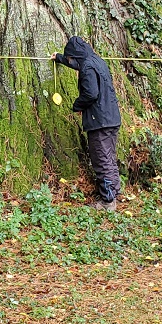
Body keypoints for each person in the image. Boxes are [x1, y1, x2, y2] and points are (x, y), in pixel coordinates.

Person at [54, 36, 122, 211]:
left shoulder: (87, 67)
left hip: (99, 121)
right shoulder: (95, 61)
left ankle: (107, 201)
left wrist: (77, 105)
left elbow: (91, 93)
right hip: (111, 118)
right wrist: (60, 58)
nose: (70, 61)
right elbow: (78, 64)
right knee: (109, 157)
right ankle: (114, 192)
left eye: (70, 58)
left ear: (76, 56)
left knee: (102, 159)